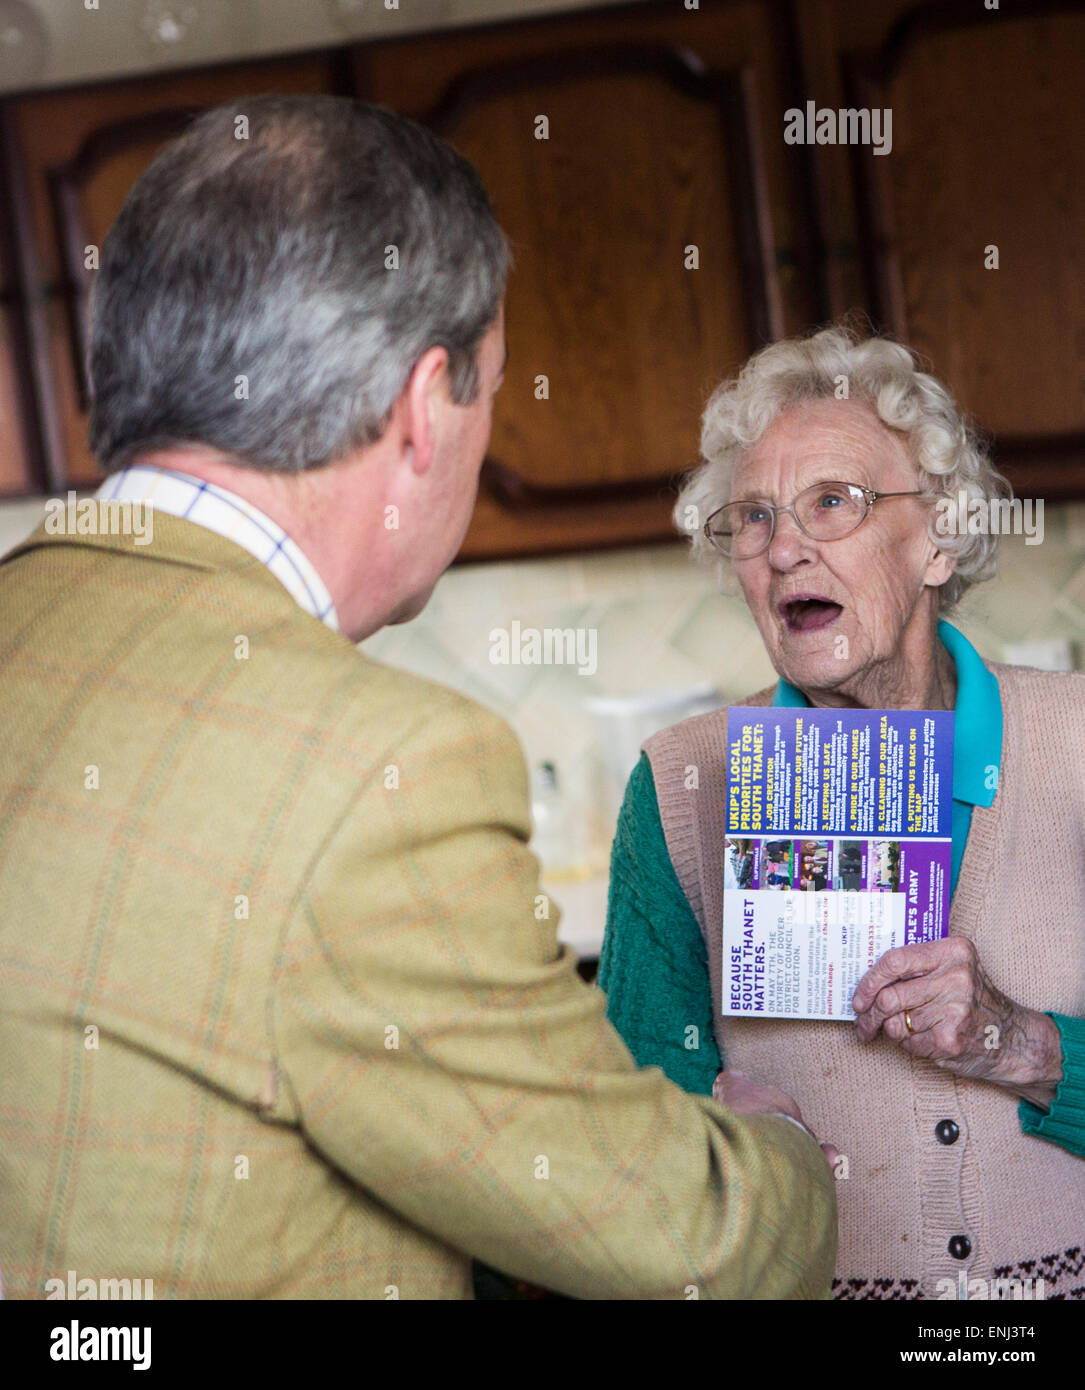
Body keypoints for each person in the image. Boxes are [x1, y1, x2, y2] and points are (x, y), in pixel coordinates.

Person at [0, 95, 836, 1301]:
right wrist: (788, 1155)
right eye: (491, 388)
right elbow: (689, 1253)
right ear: (418, 407)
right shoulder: (373, 770)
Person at [600, 325, 1085, 1299]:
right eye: (752, 517)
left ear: (938, 536)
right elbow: (627, 1148)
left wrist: (1022, 1045)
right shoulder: (681, 785)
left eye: (832, 503)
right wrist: (725, 1139)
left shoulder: (1076, 740)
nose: (783, 548)